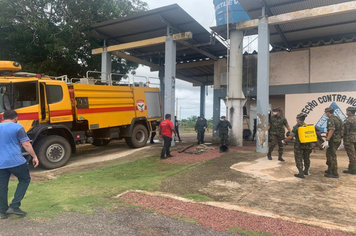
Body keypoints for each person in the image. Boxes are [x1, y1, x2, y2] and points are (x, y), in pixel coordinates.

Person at [0, 110, 39, 219]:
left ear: (3, 118)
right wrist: (34, 156)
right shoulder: (18, 128)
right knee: (24, 180)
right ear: (16, 118)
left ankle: (2, 212)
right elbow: (26, 144)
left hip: (1, 163)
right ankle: (15, 205)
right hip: (16, 161)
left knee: (2, 186)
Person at [283, 113, 311, 179]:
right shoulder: (306, 126)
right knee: (306, 158)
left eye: (296, 118)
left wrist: (285, 140)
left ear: (298, 119)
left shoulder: (297, 126)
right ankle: (306, 171)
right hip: (307, 145)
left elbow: (290, 137)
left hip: (299, 146)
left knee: (298, 159)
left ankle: (301, 173)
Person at [322, 107, 343, 178]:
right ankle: (330, 169)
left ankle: (334, 173)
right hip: (337, 139)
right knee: (329, 154)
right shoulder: (338, 118)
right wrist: (341, 137)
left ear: (328, 112)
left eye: (325, 112)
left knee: (332, 155)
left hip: (332, 140)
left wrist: (327, 140)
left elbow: (331, 130)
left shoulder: (331, 119)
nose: (325, 114)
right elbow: (341, 129)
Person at [342, 106, 356, 174]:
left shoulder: (348, 120)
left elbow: (345, 131)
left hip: (349, 139)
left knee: (351, 154)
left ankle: (353, 169)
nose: (346, 113)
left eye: (347, 111)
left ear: (349, 112)